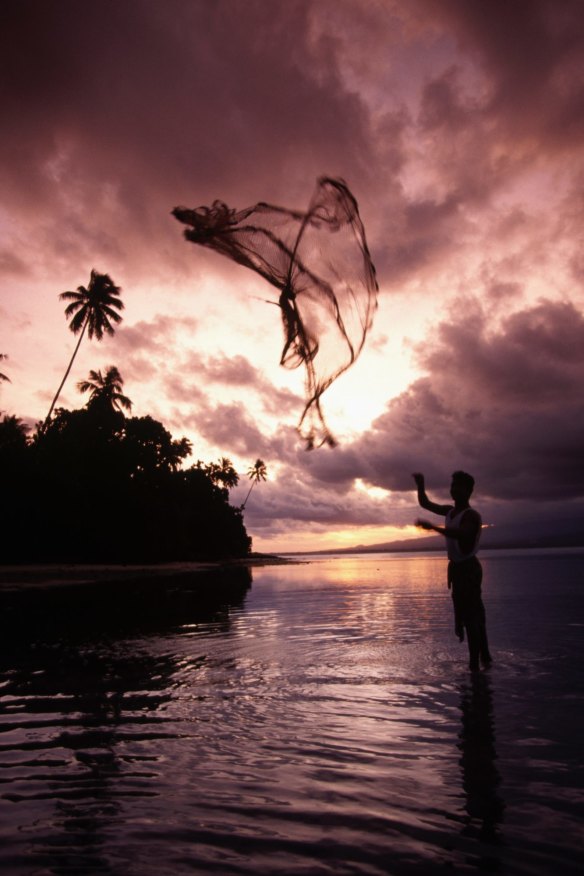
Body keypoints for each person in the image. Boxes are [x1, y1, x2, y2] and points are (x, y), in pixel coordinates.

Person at [413, 471, 492, 672]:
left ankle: (475, 665)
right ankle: (485, 659)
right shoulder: (450, 512)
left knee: (472, 618)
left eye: (458, 486)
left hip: (469, 570)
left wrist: (434, 528)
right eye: (453, 485)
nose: (454, 489)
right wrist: (421, 485)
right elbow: (426, 504)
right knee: (472, 616)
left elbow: (461, 533)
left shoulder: (471, 516)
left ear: (469, 491)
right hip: (457, 570)